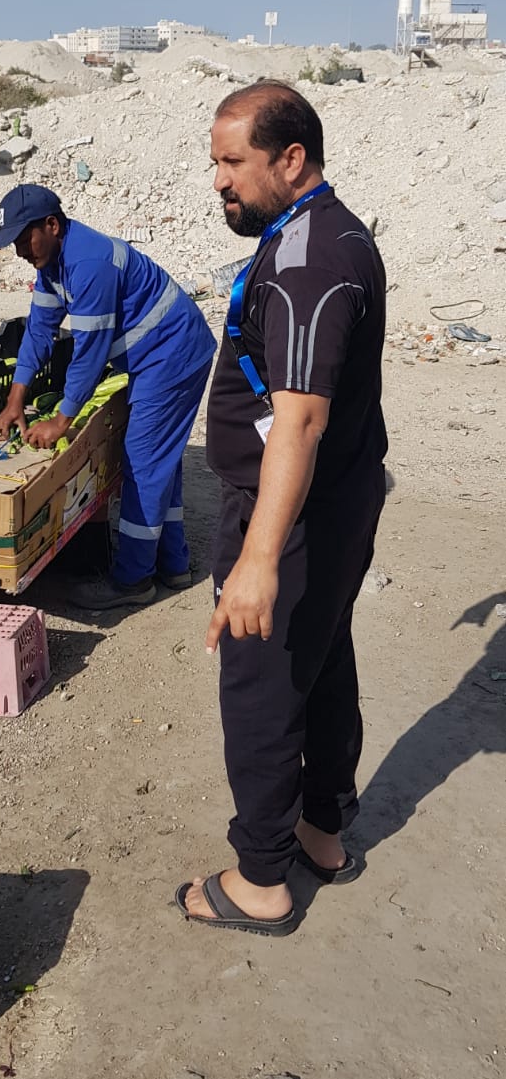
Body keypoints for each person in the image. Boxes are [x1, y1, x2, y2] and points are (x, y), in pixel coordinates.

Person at [176, 80, 387, 936]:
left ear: (289, 159)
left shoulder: (309, 262)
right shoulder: (319, 233)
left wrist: (257, 562)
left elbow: (297, 417)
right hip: (331, 501)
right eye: (215, 162)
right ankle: (321, 831)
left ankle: (261, 878)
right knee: (322, 658)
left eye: (233, 162)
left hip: (289, 513)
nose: (218, 181)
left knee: (261, 686)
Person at [0, 183, 216, 610]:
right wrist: (15, 398)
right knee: (158, 461)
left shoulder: (89, 262)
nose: (20, 251)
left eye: (24, 240)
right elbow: (40, 329)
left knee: (141, 461)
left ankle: (132, 581)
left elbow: (90, 352)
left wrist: (62, 420)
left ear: (51, 225)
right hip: (157, 355)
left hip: (172, 354)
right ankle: (173, 565)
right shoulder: (51, 263)